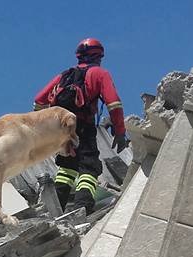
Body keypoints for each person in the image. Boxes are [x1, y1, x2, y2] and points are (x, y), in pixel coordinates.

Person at [33, 38, 128, 213]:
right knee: (89, 168)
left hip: (61, 130)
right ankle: (82, 207)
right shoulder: (99, 74)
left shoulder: (64, 76)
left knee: (66, 169)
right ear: (99, 56)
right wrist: (120, 132)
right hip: (83, 128)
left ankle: (56, 209)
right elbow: (114, 104)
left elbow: (39, 99)